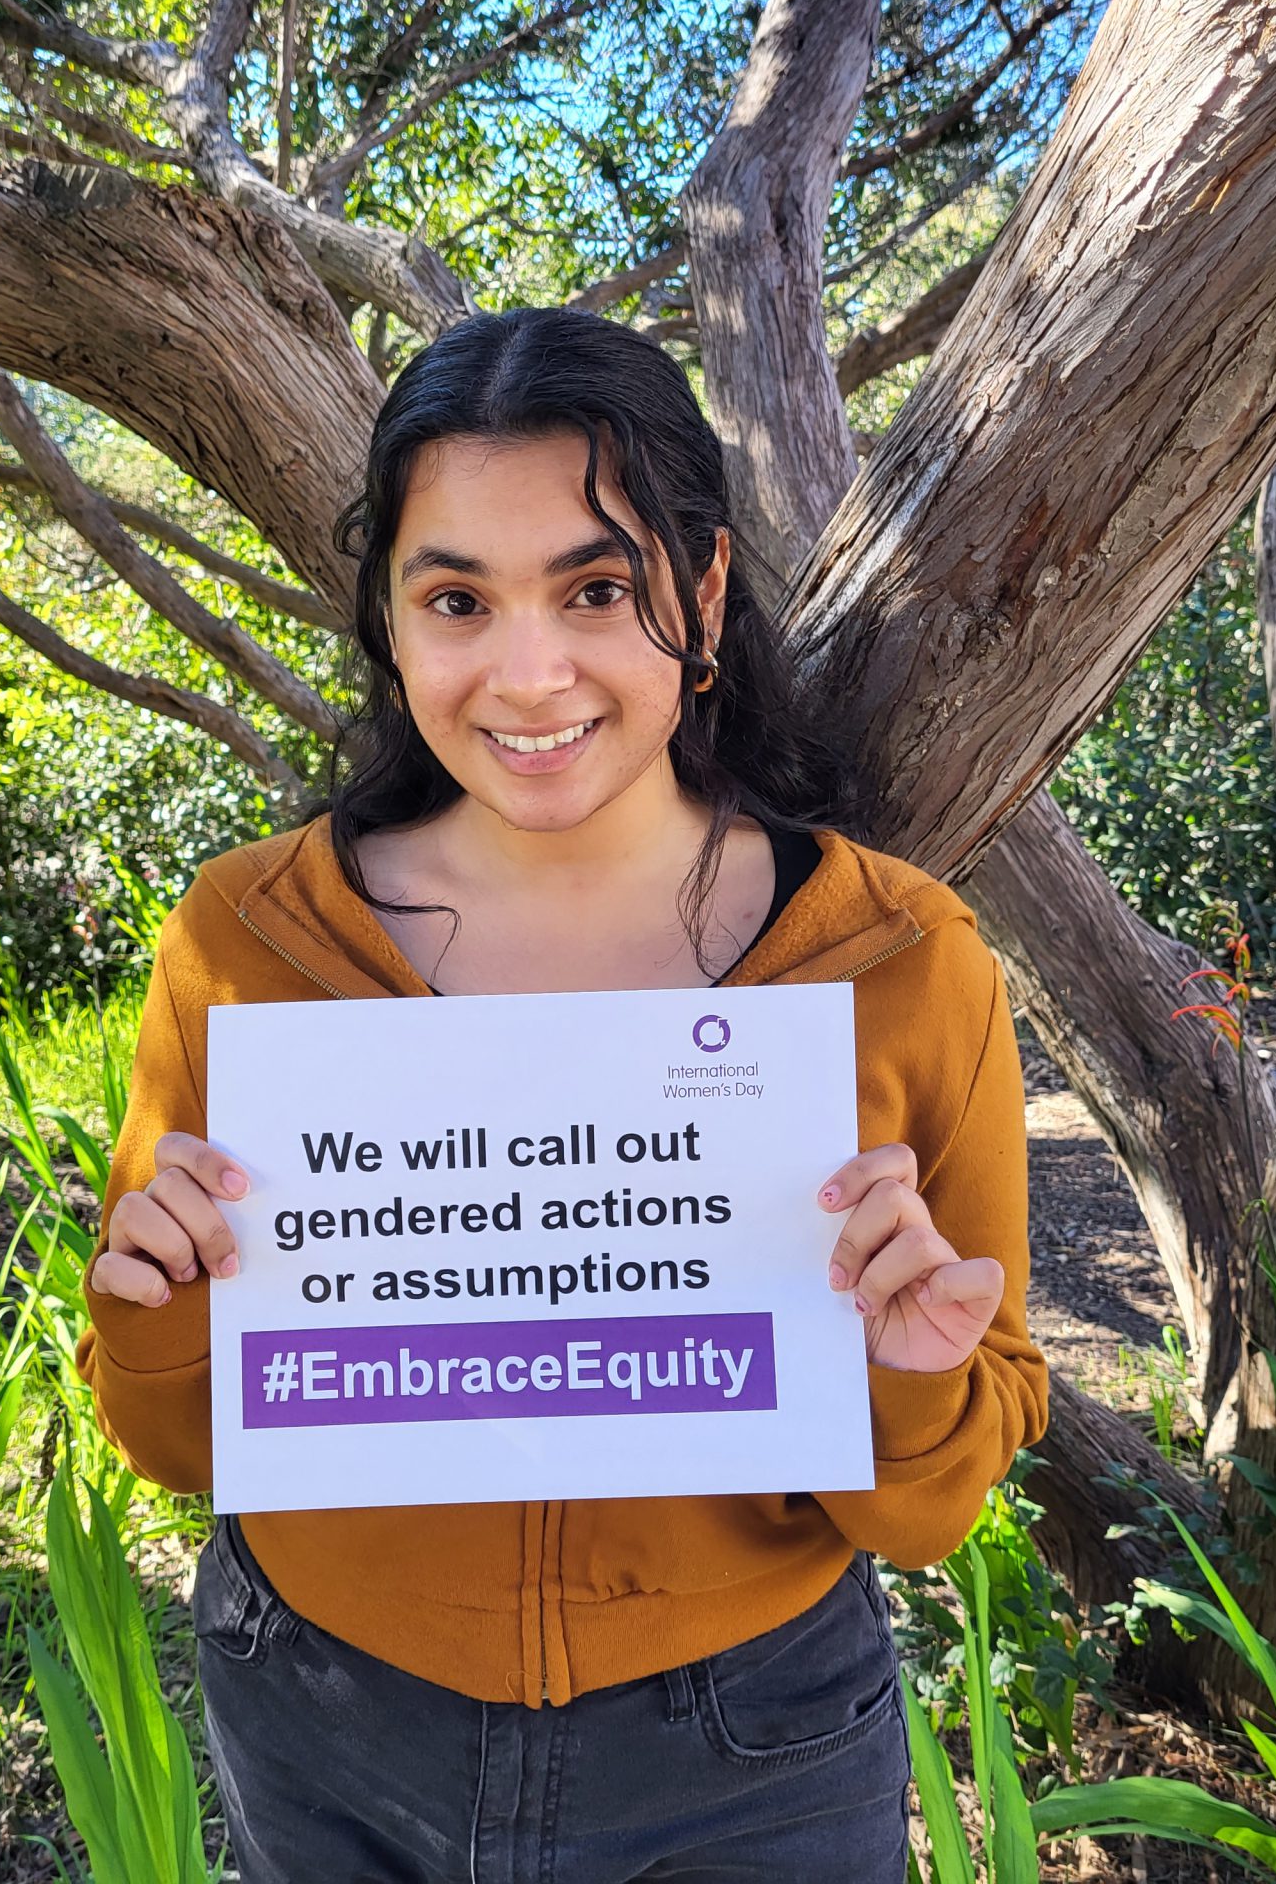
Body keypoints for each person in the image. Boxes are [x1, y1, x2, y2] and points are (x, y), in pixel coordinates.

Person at [78, 306, 1047, 1882]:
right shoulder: (243, 939)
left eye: (598, 588)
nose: (527, 674)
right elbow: (180, 1441)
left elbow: (935, 1509)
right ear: (391, 622)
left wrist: (908, 1369)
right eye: (457, 596)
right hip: (326, 1710)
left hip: (756, 1745)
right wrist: (158, 1311)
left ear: (705, 592)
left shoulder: (902, 957)